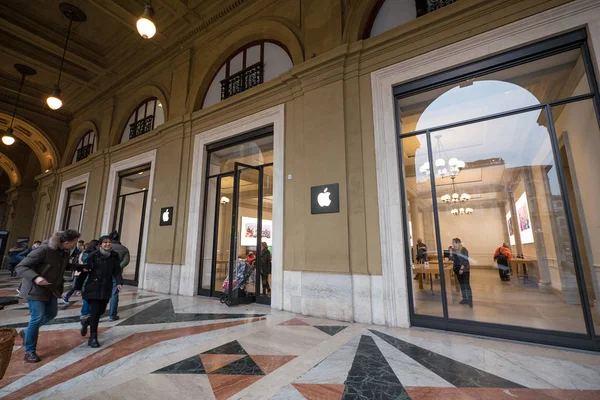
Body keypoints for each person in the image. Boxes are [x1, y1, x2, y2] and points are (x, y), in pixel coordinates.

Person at [15, 230, 81, 363]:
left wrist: (80, 267)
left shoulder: (65, 251)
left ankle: (26, 332)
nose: (76, 244)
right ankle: (29, 352)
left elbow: (63, 266)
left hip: (51, 288)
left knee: (51, 314)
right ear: (67, 242)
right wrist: (36, 277)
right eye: (74, 241)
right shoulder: (44, 249)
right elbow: (21, 266)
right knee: (37, 316)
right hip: (35, 289)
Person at [80, 235, 123, 348]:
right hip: (94, 286)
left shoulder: (114, 255)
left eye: (109, 242)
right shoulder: (93, 255)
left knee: (101, 310)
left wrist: (119, 282)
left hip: (106, 286)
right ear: (100, 244)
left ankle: (87, 321)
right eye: (105, 242)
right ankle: (93, 337)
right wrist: (78, 286)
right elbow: (85, 269)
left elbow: (117, 271)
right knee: (95, 311)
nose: (108, 244)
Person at [107, 231, 130, 321]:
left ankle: (96, 314)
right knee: (114, 294)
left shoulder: (107, 247)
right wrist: (117, 267)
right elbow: (126, 261)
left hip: (104, 273)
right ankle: (112, 315)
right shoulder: (124, 249)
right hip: (116, 274)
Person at [79, 240, 99, 321]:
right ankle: (88, 314)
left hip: (86, 277)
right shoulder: (95, 254)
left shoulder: (85, 253)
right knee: (91, 297)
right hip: (91, 277)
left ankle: (85, 314)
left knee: (88, 297)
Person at [451, 238, 472, 307]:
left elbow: (465, 260)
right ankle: (464, 298)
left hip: (464, 270)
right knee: (461, 284)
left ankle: (470, 300)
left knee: (466, 285)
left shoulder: (464, 250)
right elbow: (453, 260)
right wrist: (451, 253)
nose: (452, 244)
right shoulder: (454, 250)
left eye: (453, 242)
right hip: (457, 269)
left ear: (457, 243)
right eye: (452, 242)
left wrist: (461, 269)